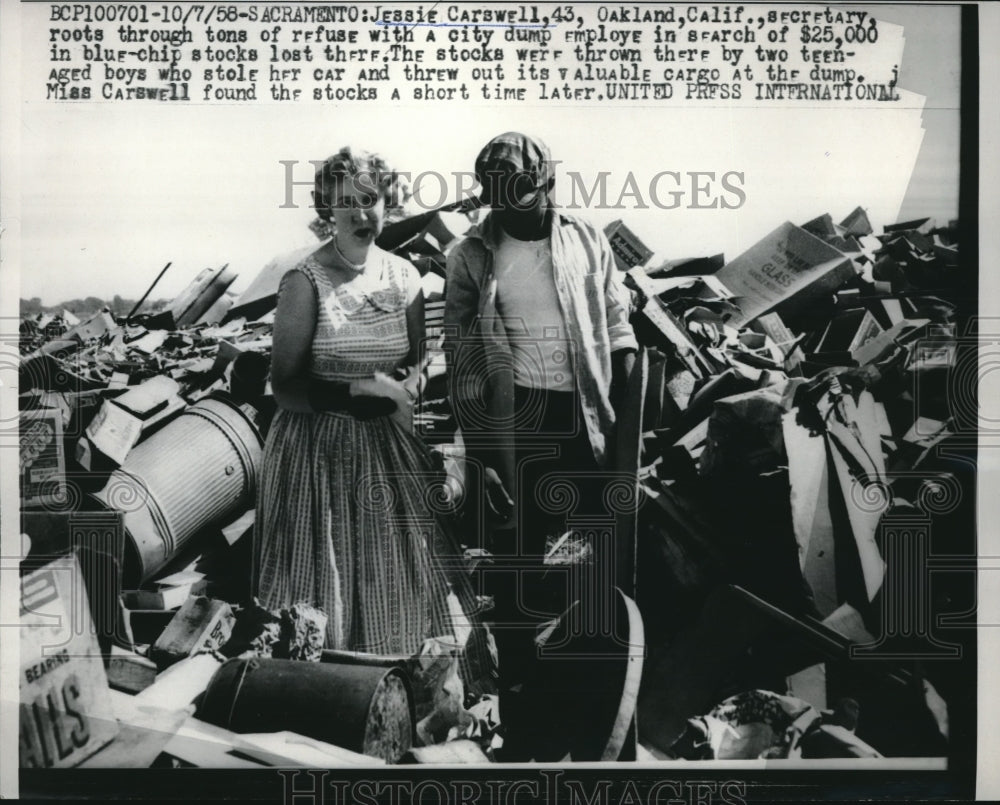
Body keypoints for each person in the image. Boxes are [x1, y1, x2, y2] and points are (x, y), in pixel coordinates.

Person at [443, 132, 639, 752]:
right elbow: (460, 358)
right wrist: (482, 459)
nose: (507, 204)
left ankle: (588, 720)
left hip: (584, 421)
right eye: (495, 193)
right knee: (520, 580)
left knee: (592, 574)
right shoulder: (470, 253)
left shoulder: (585, 239)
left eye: (519, 190)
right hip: (514, 430)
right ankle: (525, 729)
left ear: (545, 182)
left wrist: (628, 440)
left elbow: (618, 325)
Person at [254, 146, 466, 656]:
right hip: (316, 456)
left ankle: (392, 695)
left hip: (387, 449)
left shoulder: (404, 278)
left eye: (369, 199)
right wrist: (352, 393)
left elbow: (415, 368)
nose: (359, 213)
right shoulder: (305, 282)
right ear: (325, 209)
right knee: (321, 591)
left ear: (386, 204)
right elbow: (283, 386)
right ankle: (316, 699)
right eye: (345, 201)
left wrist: (404, 391)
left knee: (397, 579)